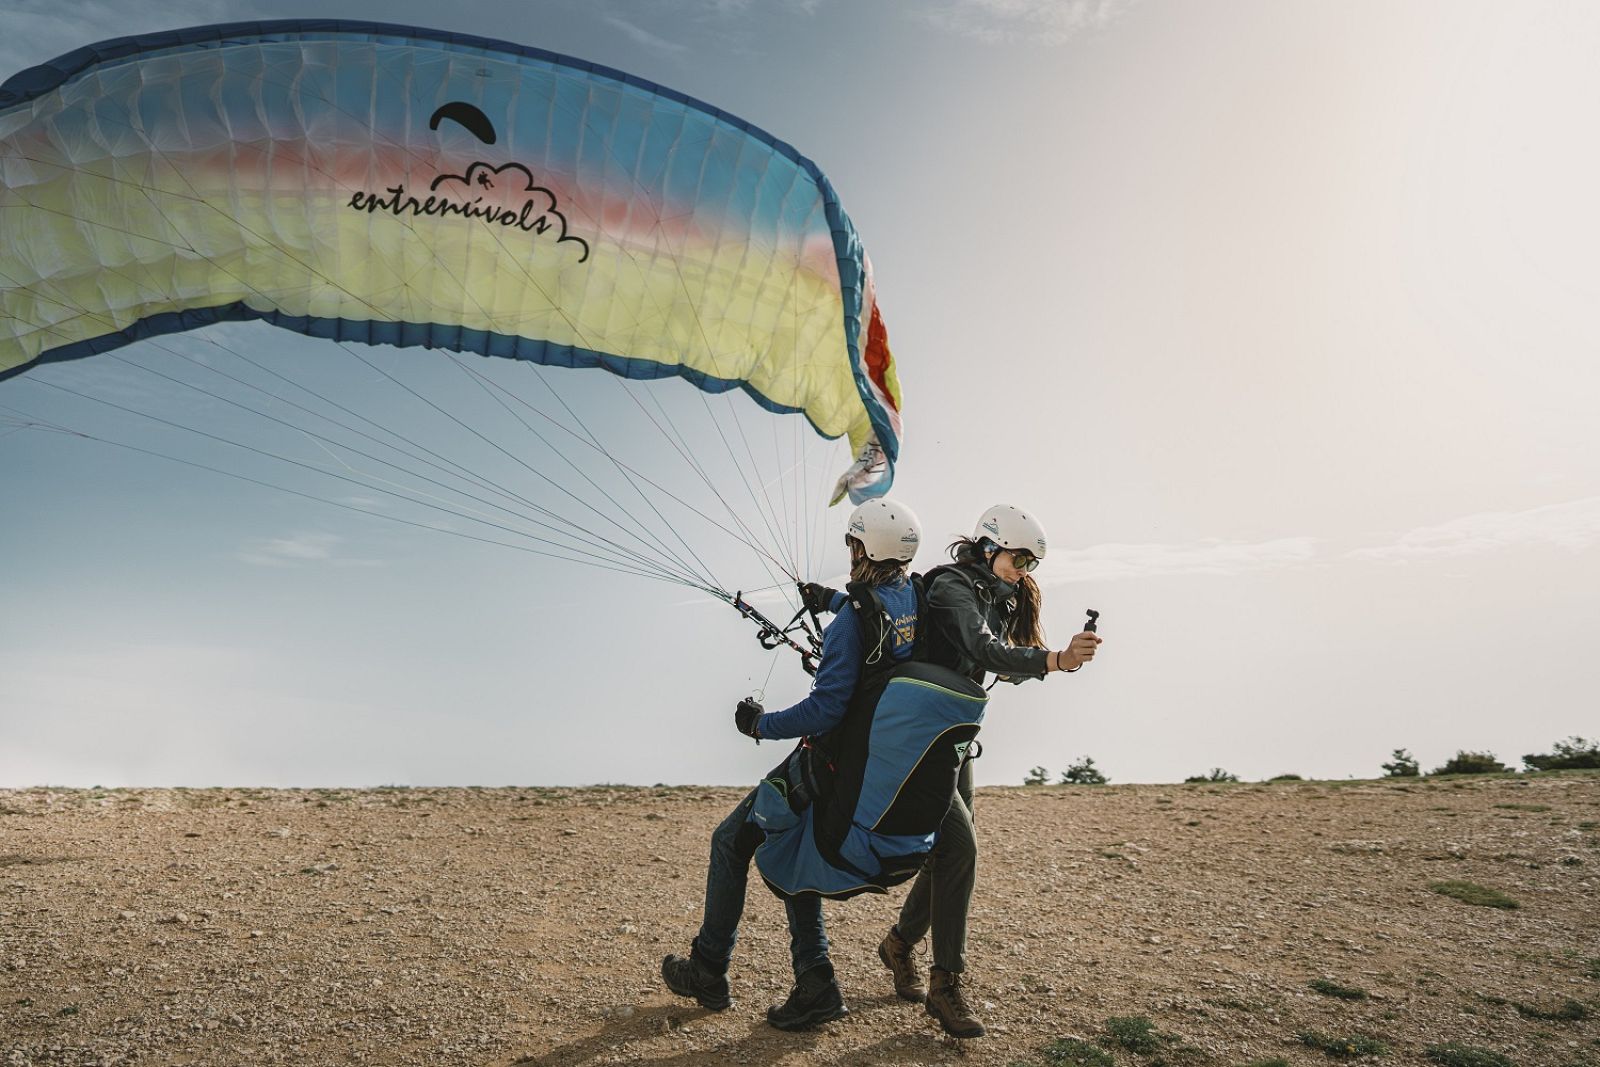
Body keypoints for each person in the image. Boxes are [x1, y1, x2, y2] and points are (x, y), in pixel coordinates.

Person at [661, 498, 922, 1031]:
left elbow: (826, 705)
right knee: (793, 852)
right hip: (869, 758)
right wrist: (829, 600)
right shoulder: (912, 599)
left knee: (731, 841)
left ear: (863, 548)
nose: (848, 553)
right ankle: (815, 983)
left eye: (852, 544)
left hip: (827, 759)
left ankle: (710, 970)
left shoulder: (851, 621)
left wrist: (760, 724)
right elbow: (873, 622)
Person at [874, 504, 1101, 1039]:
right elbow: (982, 649)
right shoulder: (952, 586)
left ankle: (898, 946)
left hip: (953, 737)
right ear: (988, 546)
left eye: (1032, 562)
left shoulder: (999, 597)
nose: (1025, 568)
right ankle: (945, 985)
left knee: (947, 852)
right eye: (1019, 556)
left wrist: (1055, 659)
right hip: (919, 735)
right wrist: (1054, 660)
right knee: (960, 849)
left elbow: (998, 662)